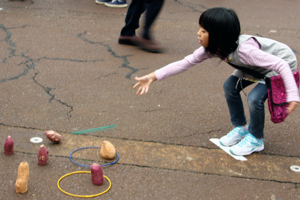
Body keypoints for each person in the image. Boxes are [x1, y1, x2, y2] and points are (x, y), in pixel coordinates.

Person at [133, 7, 300, 156]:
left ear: (219, 36)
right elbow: (184, 63)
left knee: (254, 98)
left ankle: (256, 138)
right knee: (230, 86)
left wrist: (293, 95)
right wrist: (153, 76)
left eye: (204, 31)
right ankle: (241, 128)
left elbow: (281, 64)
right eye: (200, 28)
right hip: (253, 67)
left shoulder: (245, 51)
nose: (198, 33)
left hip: (277, 65)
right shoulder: (212, 48)